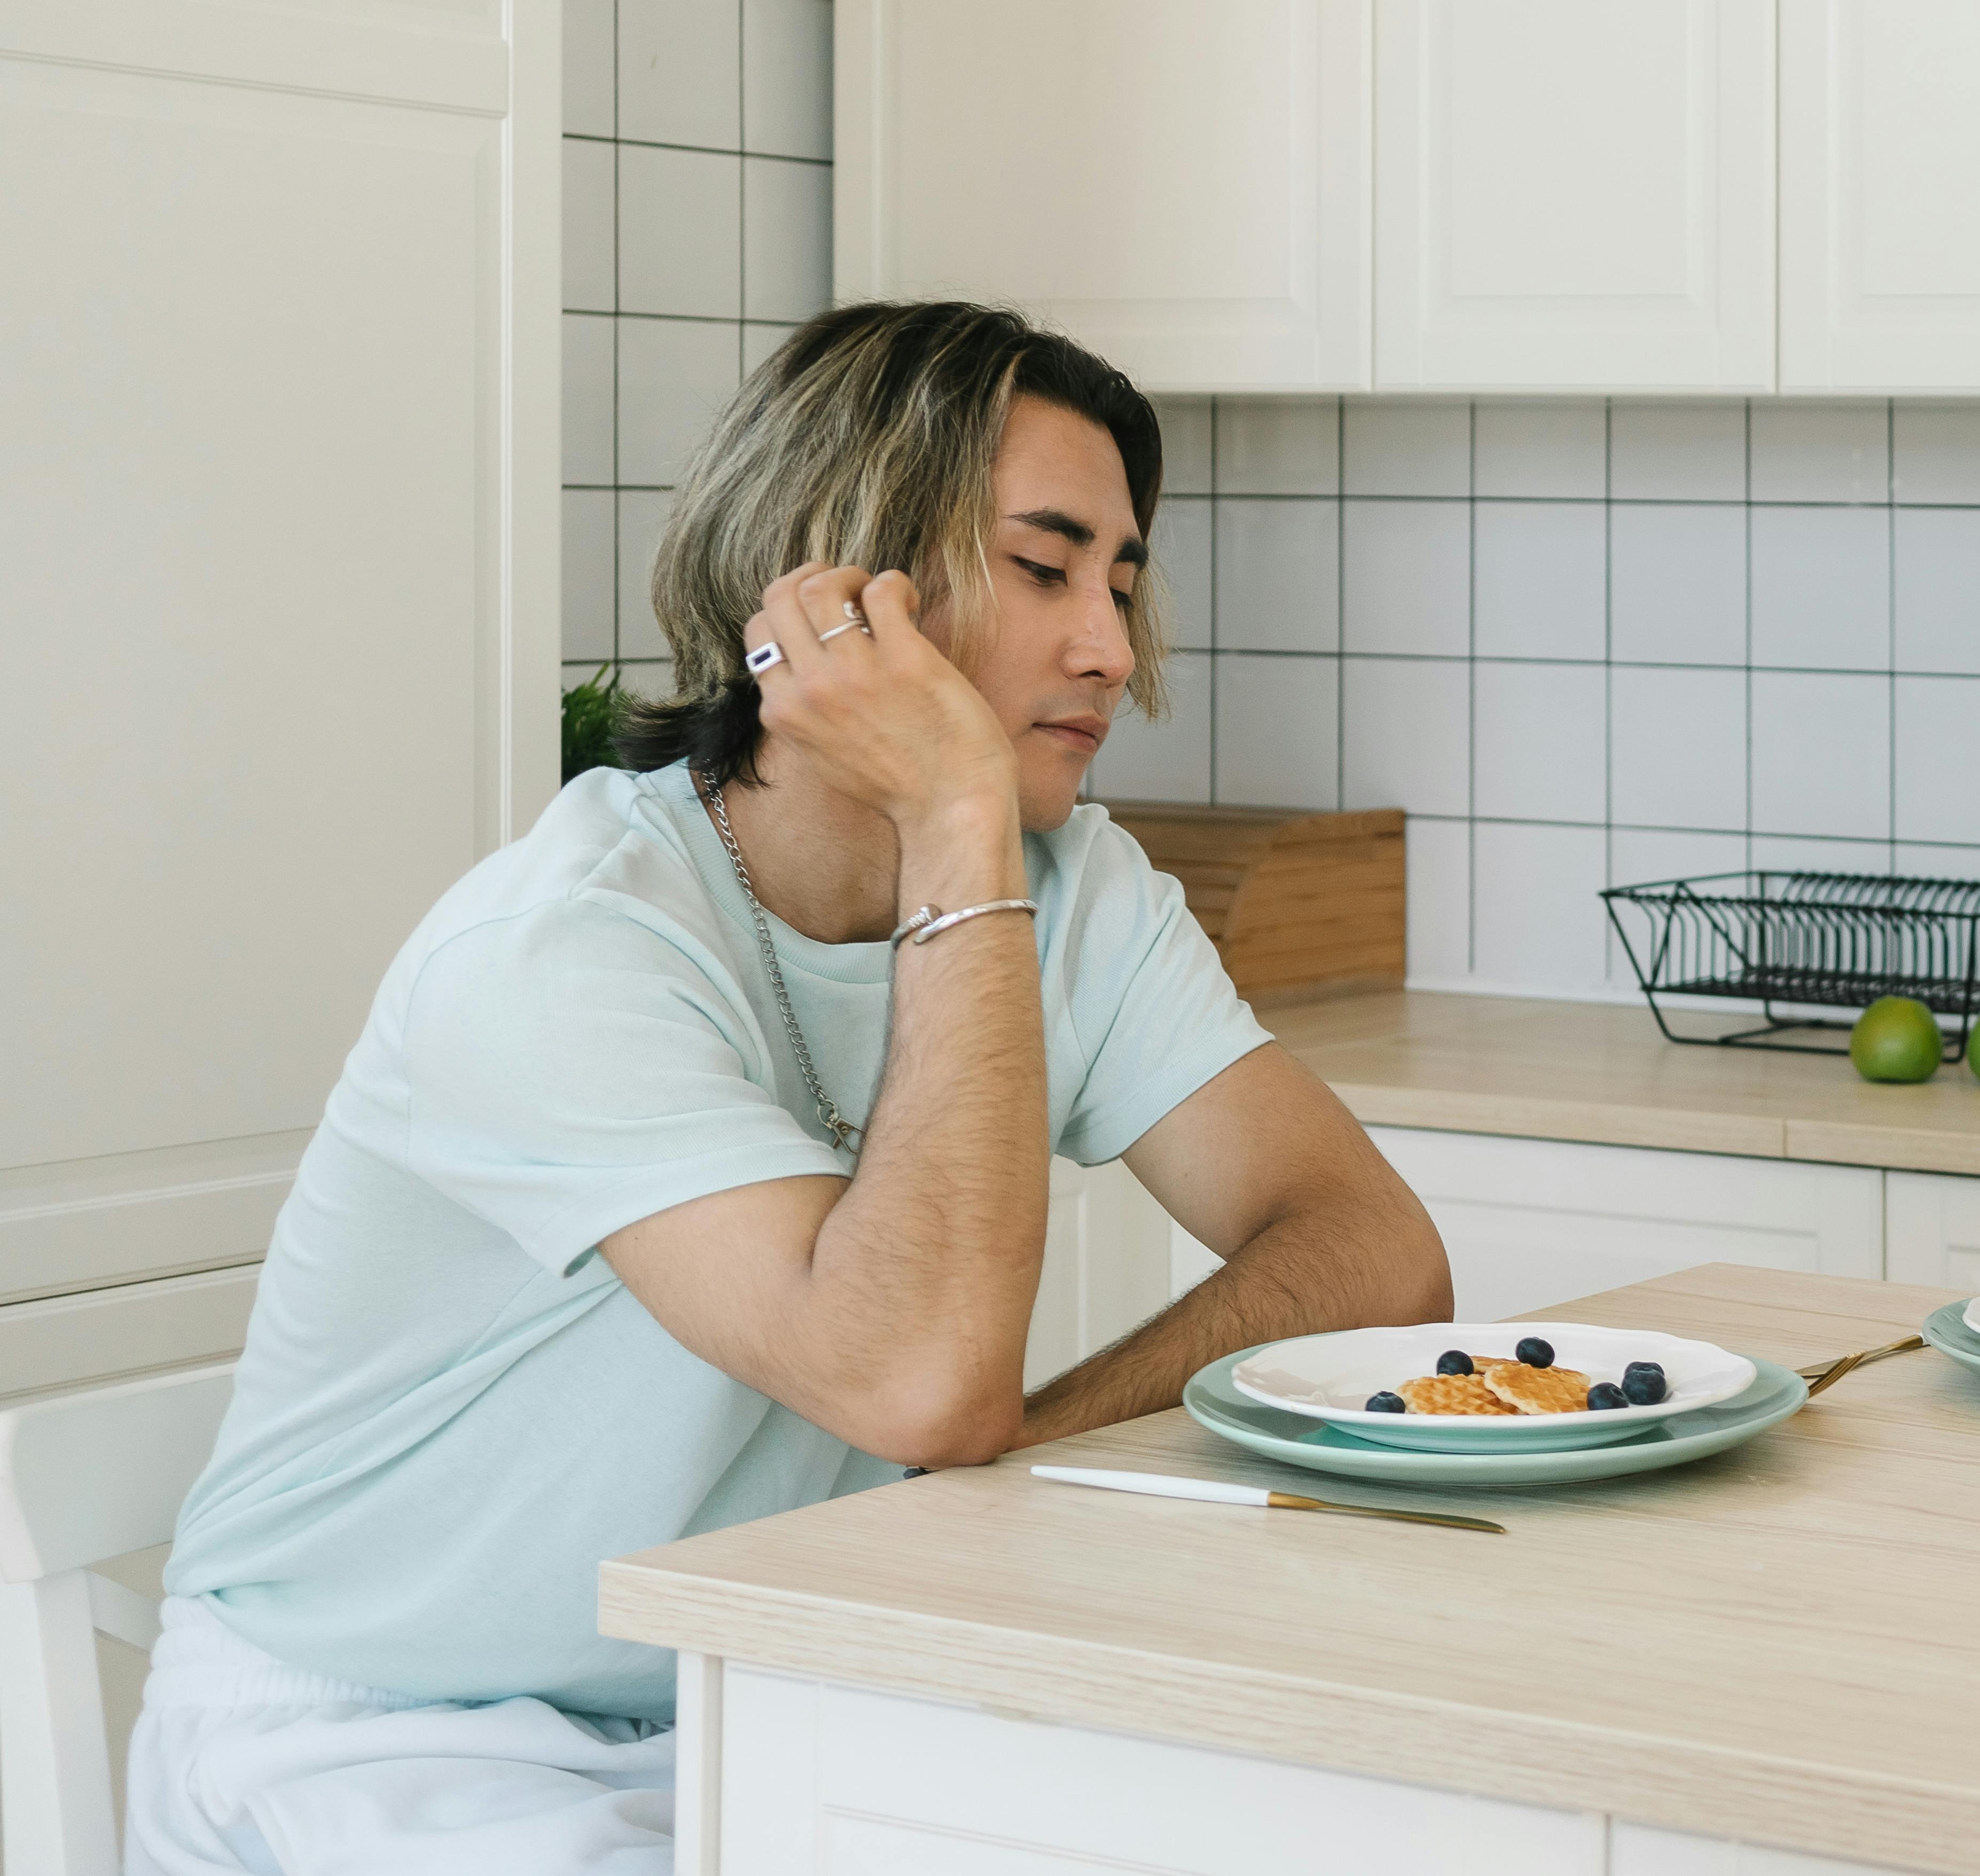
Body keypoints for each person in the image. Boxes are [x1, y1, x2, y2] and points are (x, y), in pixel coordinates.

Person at [133, 302, 1452, 1876]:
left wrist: (1016, 1449)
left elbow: (1374, 1257)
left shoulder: (1078, 891)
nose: (1109, 644)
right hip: (387, 1735)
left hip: (758, 1679)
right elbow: (912, 1385)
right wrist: (958, 811)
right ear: (841, 586)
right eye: (1046, 569)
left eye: (1122, 578)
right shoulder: (569, 946)